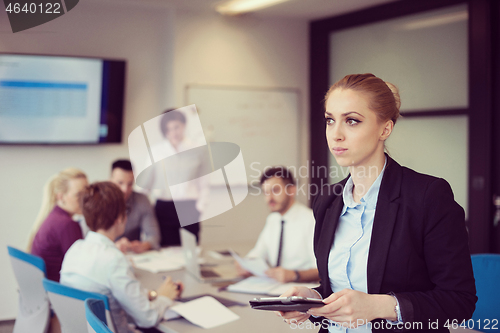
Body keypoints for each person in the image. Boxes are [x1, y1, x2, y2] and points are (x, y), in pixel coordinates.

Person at [279, 74, 477, 332]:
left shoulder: (428, 196)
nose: (335, 134)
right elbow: (338, 290)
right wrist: (312, 299)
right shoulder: (327, 201)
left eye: (351, 121)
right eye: (330, 120)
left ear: (385, 129)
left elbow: (459, 301)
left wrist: (380, 307)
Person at [60, 182, 182, 333]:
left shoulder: (75, 249)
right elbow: (147, 318)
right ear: (119, 218)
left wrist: (154, 294)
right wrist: (165, 297)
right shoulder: (114, 260)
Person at [238, 167, 319, 283]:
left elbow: (323, 269)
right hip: (273, 286)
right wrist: (246, 264)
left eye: (275, 190)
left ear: (291, 190)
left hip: (302, 289)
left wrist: (295, 275)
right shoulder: (273, 219)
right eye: (266, 192)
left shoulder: (311, 220)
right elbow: (258, 253)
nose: (269, 198)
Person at [143, 109, 208, 246]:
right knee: (166, 249)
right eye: (169, 129)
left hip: (189, 207)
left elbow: (204, 183)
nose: (173, 132)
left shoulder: (197, 150)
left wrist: (200, 207)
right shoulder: (156, 152)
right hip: (164, 207)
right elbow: (146, 183)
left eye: (176, 127)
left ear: (184, 125)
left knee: (191, 249)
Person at [29, 168, 88, 282]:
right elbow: (83, 268)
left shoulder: (54, 217)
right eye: (79, 194)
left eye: (87, 192)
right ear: (61, 197)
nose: (85, 199)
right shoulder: (67, 225)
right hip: (60, 292)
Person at [110, 159, 161, 253]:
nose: (125, 189)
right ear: (110, 180)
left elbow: (154, 236)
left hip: (132, 255)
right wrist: (112, 246)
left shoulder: (142, 200)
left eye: (130, 184)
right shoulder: (99, 201)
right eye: (120, 183)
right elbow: (89, 238)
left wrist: (143, 245)